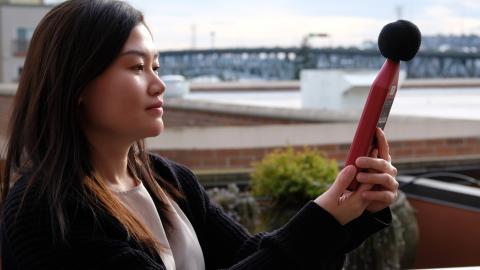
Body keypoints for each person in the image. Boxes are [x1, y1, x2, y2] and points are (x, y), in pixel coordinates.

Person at [0, 0, 399, 269]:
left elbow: (248, 256)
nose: (159, 85)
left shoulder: (168, 180)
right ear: (78, 84)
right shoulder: (44, 212)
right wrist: (324, 218)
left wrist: (351, 212)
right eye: (137, 68)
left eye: (156, 66)